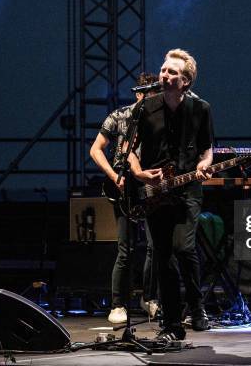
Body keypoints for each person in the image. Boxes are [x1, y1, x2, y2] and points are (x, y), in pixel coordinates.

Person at [129, 48, 213, 341]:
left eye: (172, 73)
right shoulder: (144, 108)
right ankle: (172, 323)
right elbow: (127, 152)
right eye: (163, 70)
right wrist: (139, 173)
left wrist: (205, 164)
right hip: (156, 192)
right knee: (163, 256)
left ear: (186, 81)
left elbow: (207, 149)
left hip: (188, 190)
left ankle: (198, 307)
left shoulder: (200, 109)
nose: (164, 75)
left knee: (183, 248)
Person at [89, 72, 160, 324]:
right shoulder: (119, 116)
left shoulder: (162, 121)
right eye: (151, 97)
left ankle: (150, 298)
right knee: (126, 248)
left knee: (156, 246)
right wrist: (113, 175)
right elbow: (95, 149)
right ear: (140, 94)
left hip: (152, 187)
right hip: (124, 188)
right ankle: (118, 304)